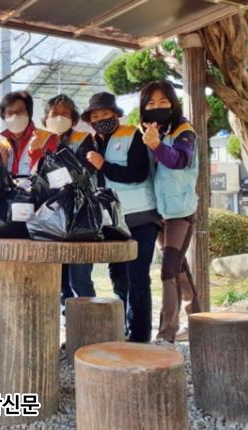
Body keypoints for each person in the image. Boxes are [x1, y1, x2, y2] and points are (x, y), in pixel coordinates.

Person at [82, 91, 161, 343]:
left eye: (106, 113)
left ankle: (140, 336)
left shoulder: (132, 134)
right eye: (95, 116)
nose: (101, 119)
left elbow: (137, 173)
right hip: (112, 221)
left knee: (138, 276)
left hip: (140, 217)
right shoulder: (92, 142)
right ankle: (124, 329)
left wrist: (102, 164)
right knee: (118, 275)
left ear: (116, 114)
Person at [138, 80, 200, 345]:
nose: (157, 107)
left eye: (163, 101)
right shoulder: (149, 132)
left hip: (180, 212)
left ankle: (166, 334)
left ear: (173, 104)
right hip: (157, 212)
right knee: (178, 267)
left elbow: (180, 160)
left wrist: (156, 145)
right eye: (151, 103)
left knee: (168, 269)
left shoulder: (184, 131)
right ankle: (197, 317)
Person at [41, 94, 97, 302]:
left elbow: (84, 171)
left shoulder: (83, 139)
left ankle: (89, 317)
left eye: (65, 113)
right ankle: (66, 315)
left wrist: (58, 148)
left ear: (73, 118)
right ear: (46, 118)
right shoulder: (40, 141)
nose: (59, 117)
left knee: (80, 277)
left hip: (80, 214)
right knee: (59, 278)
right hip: (52, 214)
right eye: (54, 113)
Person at [0, 91, 58, 176]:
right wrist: (1, 166)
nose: (15, 116)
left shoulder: (48, 138)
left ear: (28, 113)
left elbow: (56, 177)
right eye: (10, 113)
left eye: (20, 111)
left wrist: (36, 153)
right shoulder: (3, 146)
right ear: (4, 116)